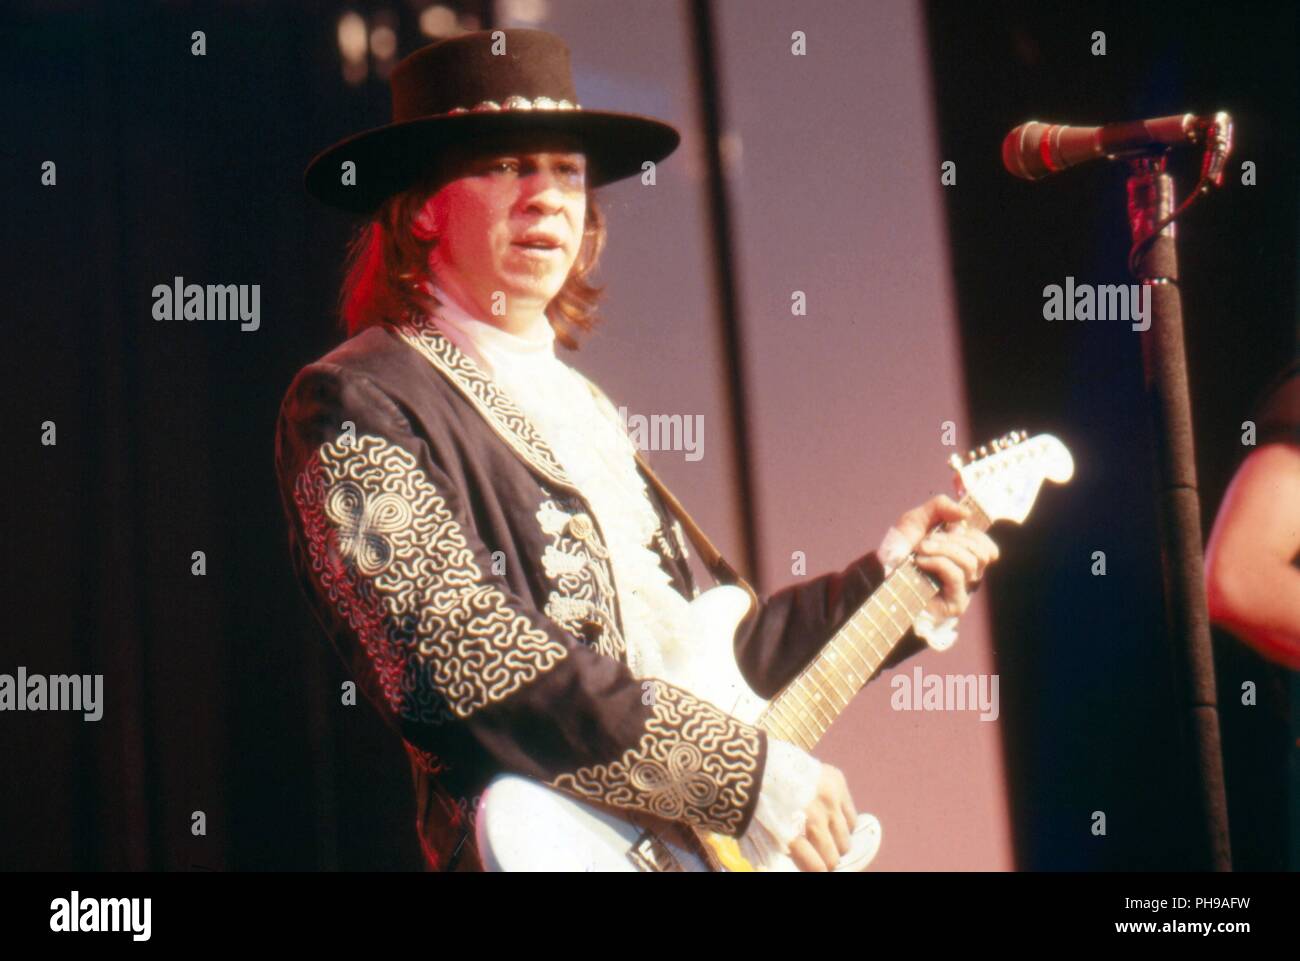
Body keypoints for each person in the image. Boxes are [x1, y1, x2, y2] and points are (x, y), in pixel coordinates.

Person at [275, 28, 998, 872]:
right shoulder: (353, 398)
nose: (547, 197)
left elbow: (708, 665)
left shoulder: (585, 409)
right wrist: (741, 776)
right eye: (507, 166)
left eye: (567, 171)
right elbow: (464, 659)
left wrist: (889, 585)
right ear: (422, 204)